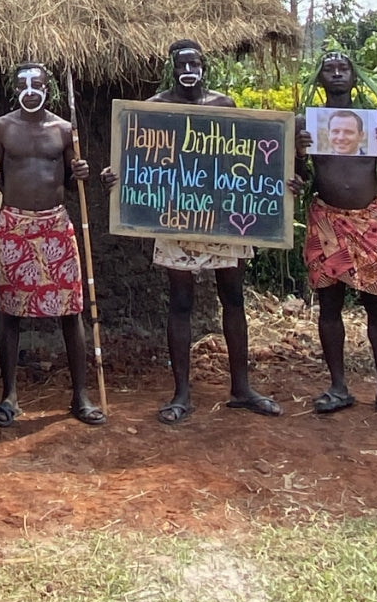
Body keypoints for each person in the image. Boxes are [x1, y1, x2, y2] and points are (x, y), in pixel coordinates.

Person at [100, 40, 282, 425]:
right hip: (174, 217)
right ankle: (181, 392)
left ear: (204, 67)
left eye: (194, 63)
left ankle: (241, 387)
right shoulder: (154, 108)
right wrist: (115, 175)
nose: (188, 69)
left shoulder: (223, 106)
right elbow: (135, 158)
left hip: (223, 219)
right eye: (181, 64)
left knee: (233, 298)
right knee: (180, 301)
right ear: (172, 68)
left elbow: (244, 161)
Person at [296, 51, 377, 424]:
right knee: (329, 306)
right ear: (320, 78)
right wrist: (298, 152)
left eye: (343, 69)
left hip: (369, 221)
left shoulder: (376, 121)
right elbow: (297, 176)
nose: (336, 74)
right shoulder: (308, 124)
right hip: (326, 220)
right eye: (329, 69)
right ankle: (338, 387)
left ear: (354, 76)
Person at [0, 63, 103, 429]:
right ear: (14, 89)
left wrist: (79, 173)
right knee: (10, 310)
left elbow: (70, 183)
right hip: (14, 224)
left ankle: (80, 395)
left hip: (55, 224)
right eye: (23, 85)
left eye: (37, 84)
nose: (30, 90)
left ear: (48, 88)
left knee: (71, 309)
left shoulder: (64, 130)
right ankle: (9, 395)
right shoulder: (2, 128)